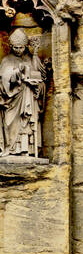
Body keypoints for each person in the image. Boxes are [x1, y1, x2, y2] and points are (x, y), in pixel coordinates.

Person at [0, 29, 46, 158]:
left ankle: (27, 150)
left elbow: (39, 76)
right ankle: (11, 148)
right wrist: (17, 73)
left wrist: (36, 84)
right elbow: (4, 77)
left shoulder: (30, 59)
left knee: (26, 121)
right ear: (11, 46)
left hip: (28, 96)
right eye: (16, 47)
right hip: (13, 98)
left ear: (25, 46)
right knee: (10, 123)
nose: (18, 50)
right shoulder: (7, 60)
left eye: (21, 47)